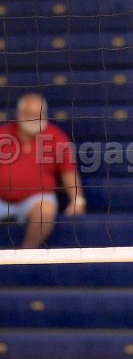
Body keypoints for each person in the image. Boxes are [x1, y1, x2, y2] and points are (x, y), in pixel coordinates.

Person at [0, 93, 86, 248]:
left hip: (36, 200)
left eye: (37, 115)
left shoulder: (56, 137)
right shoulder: (3, 134)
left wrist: (77, 200)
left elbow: (68, 171)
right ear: (19, 115)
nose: (34, 119)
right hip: (1, 199)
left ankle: (26, 254)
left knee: (46, 210)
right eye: (29, 114)